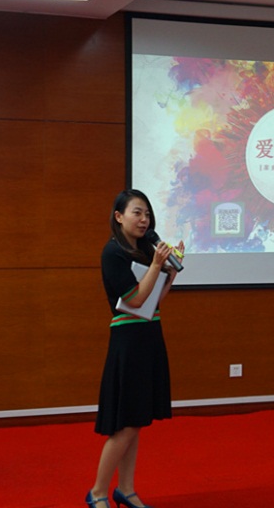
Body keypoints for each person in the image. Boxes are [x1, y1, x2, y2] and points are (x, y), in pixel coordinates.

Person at [86, 189, 184, 508]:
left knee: (137, 420)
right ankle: (98, 492)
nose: (144, 220)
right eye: (137, 213)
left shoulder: (143, 252)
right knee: (126, 423)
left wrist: (170, 271)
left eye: (147, 214)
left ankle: (125, 490)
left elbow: (154, 301)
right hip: (128, 341)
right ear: (119, 217)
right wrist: (156, 264)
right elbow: (135, 299)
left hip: (149, 336)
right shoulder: (112, 253)